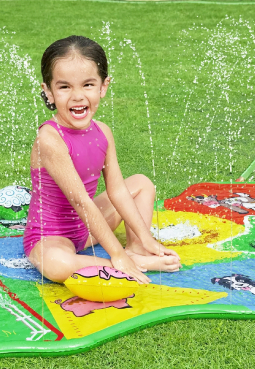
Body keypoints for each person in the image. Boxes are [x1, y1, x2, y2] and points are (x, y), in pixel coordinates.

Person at [23, 35, 181, 284]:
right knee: (57, 264)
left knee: (141, 183)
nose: (77, 96)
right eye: (65, 87)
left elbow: (117, 190)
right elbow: (81, 201)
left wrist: (145, 236)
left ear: (103, 86)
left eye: (87, 85)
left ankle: (138, 248)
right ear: (49, 92)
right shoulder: (49, 138)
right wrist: (116, 255)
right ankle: (129, 262)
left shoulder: (102, 132)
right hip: (52, 238)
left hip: (86, 232)